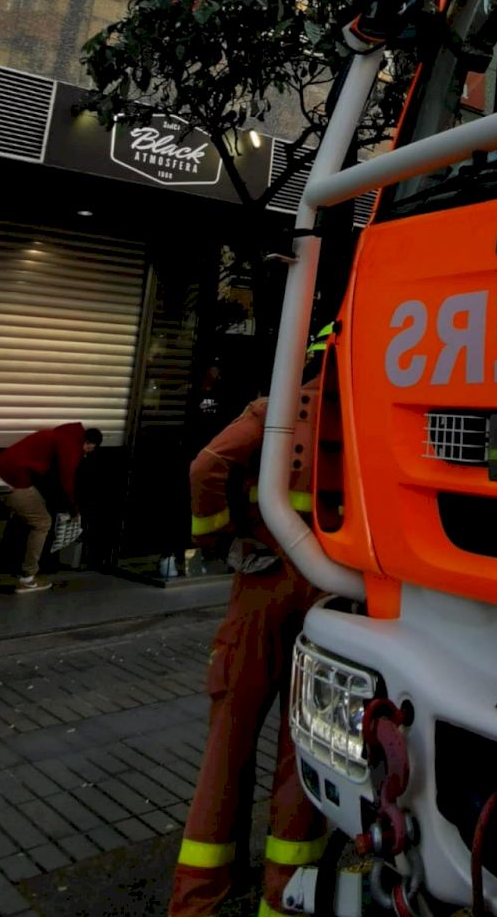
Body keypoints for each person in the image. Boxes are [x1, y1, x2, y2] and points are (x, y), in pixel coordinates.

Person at [170, 325, 334, 917]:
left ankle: (197, 899)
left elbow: (205, 467)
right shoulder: (366, 422)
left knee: (227, 744)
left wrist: (218, 538)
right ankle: (284, 899)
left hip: (261, 587)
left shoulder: (278, 410)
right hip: (330, 602)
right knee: (305, 751)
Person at [0, 423, 102, 594]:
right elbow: (66, 480)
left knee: (2, 513)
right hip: (12, 481)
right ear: (89, 444)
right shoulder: (71, 444)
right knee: (43, 523)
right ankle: (28, 578)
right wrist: (73, 510)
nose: (85, 454)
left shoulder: (55, 435)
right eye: (87, 451)